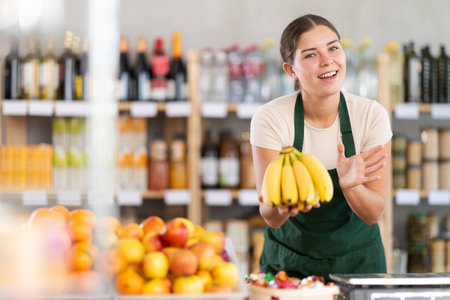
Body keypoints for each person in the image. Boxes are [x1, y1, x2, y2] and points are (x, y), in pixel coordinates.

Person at [250, 14, 392, 280]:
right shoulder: (271, 118)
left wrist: (351, 186)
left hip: (358, 265)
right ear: (290, 70)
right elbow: (270, 216)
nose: (328, 61)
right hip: (288, 266)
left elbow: (374, 213)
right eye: (311, 55)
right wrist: (283, 206)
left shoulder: (371, 115)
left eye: (333, 47)